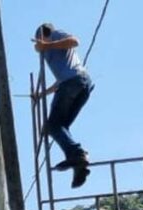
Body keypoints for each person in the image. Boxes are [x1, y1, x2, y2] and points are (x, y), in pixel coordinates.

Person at [33, 23, 94, 189]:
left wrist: (47, 45)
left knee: (52, 126)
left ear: (44, 35)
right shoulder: (53, 54)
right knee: (60, 127)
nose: (36, 45)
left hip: (74, 82)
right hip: (80, 84)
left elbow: (74, 41)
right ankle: (78, 165)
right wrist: (41, 94)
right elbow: (60, 81)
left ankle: (77, 154)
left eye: (38, 39)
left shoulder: (54, 36)